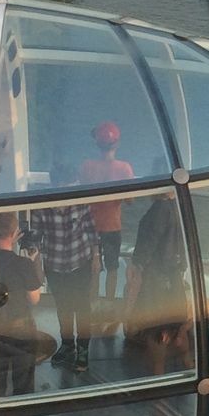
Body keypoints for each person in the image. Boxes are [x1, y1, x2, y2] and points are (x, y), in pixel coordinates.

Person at [0, 210, 52, 416]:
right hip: (19, 335)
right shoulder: (22, 264)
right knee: (23, 386)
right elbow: (34, 298)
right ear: (14, 234)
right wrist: (33, 261)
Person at [24, 202, 99, 372]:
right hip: (54, 267)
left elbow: (91, 231)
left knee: (82, 307)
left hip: (81, 263)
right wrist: (37, 268)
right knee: (62, 306)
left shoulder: (80, 204)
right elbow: (34, 240)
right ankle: (67, 344)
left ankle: (83, 348)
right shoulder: (42, 208)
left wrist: (96, 257)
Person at [124, 196, 193, 378]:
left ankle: (158, 373)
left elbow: (150, 240)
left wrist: (137, 265)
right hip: (172, 275)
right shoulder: (178, 205)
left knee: (156, 330)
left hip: (156, 278)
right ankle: (189, 365)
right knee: (175, 326)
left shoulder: (160, 209)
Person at [76, 121, 135, 313]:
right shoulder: (124, 168)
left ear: (97, 144)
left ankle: (92, 303)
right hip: (112, 225)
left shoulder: (87, 166)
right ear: (116, 144)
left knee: (93, 267)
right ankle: (109, 303)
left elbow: (82, 194)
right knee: (112, 267)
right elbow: (130, 200)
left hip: (90, 226)